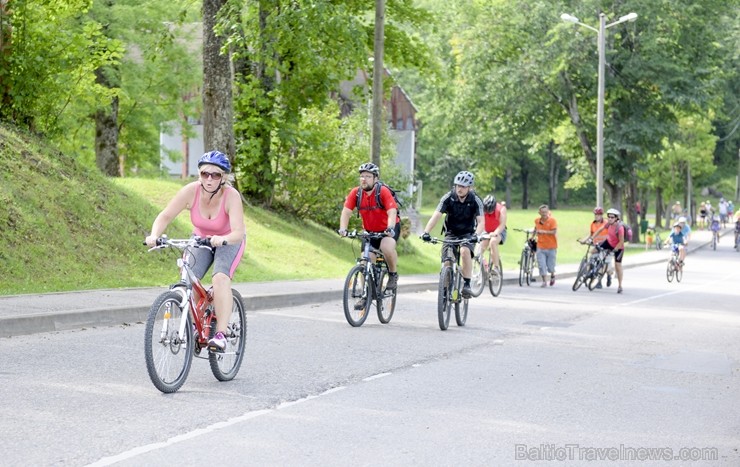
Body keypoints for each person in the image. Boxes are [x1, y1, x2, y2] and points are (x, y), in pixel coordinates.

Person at [144, 150, 246, 351]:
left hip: (229, 240)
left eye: (215, 175)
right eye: (204, 174)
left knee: (220, 279)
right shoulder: (191, 191)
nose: (209, 179)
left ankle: (220, 333)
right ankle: (193, 325)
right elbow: (165, 216)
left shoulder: (231, 196)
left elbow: (238, 232)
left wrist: (222, 239)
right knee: (189, 279)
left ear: (223, 178)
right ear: (199, 175)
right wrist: (154, 236)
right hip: (200, 239)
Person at [338, 162, 401, 297]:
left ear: (375, 179)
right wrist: (343, 229)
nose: (363, 179)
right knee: (365, 260)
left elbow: (392, 211)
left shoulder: (382, 191)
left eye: (368, 176)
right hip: (370, 231)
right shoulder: (356, 193)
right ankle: (365, 294)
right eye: (361, 176)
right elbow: (346, 212)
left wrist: (390, 228)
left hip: (389, 228)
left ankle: (393, 274)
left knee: (386, 247)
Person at [422, 171, 485, 298]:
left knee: (464, 252)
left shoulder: (475, 200)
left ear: (469, 188)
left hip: (468, 234)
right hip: (451, 233)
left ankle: (466, 284)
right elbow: (436, 216)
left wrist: (476, 235)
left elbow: (481, 221)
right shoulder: (448, 197)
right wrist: (426, 232)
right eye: (457, 186)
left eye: (463, 186)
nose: (459, 189)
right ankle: (445, 291)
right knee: (447, 261)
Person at [589, 208, 625, 293]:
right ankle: (596, 266)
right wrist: (591, 238)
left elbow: (621, 241)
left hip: (618, 247)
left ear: (616, 218)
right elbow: (599, 230)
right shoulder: (608, 224)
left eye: (612, 217)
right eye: (609, 216)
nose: (610, 218)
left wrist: (614, 250)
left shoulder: (620, 228)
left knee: (617, 265)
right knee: (593, 251)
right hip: (608, 242)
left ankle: (620, 286)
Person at [584, 207, 613, 288]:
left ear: (602, 215)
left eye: (598, 215)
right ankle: (593, 278)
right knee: (592, 259)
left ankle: (608, 276)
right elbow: (591, 235)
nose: (596, 216)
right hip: (597, 246)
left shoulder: (606, 224)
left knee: (606, 266)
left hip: (605, 246)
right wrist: (585, 240)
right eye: (595, 214)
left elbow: (610, 235)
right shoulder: (592, 224)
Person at [480, 194, 507, 271]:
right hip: (486, 230)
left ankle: (496, 267)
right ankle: (484, 269)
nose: (489, 212)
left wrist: (495, 233)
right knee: (478, 250)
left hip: (499, 231)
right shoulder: (481, 209)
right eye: (487, 211)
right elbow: (479, 222)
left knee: (493, 242)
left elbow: (502, 225)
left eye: (491, 211)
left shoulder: (501, 209)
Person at [534, 204, 557, 288]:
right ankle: (544, 281)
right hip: (540, 246)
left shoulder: (552, 221)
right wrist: (532, 236)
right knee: (541, 265)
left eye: (546, 212)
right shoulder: (537, 220)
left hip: (551, 247)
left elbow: (554, 232)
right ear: (539, 212)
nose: (544, 214)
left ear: (548, 212)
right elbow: (536, 229)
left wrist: (543, 232)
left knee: (551, 266)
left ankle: (552, 275)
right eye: (542, 212)